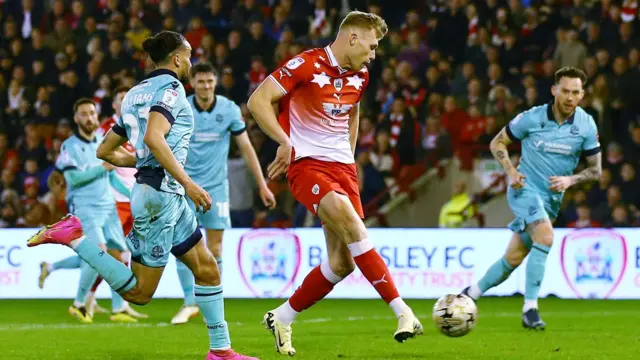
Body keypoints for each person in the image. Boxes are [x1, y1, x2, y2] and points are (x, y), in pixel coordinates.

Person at [27, 31, 257, 360]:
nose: (191, 61)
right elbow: (154, 136)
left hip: (166, 194)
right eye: (188, 55)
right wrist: (189, 182)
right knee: (139, 292)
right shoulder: (173, 89)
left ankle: (220, 351)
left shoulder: (134, 93)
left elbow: (107, 150)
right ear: (177, 58)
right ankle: (73, 237)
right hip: (160, 196)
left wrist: (144, 160)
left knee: (207, 268)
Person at [247, 11, 423, 356]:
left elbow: (353, 111)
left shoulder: (362, 75)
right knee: (355, 226)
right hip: (307, 165)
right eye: (371, 47)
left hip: (342, 168)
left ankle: (281, 316)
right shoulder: (306, 64)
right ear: (352, 38)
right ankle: (403, 312)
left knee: (342, 263)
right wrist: (284, 140)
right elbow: (258, 100)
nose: (373, 54)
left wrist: (350, 157)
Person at [460, 67, 602, 330]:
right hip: (523, 189)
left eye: (575, 92)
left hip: (551, 201)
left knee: (512, 259)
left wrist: (571, 180)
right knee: (546, 237)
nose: (570, 98)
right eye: (565, 91)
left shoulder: (586, 125)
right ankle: (530, 310)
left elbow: (596, 171)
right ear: (554, 90)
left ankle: (469, 294)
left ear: (582, 94)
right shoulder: (532, 118)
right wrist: (511, 171)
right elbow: (496, 143)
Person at [171, 61, 276, 325]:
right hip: (186, 187)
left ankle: (213, 303)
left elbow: (247, 148)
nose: (205, 86)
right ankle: (188, 303)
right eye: (200, 81)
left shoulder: (229, 110)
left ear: (215, 83)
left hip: (216, 189)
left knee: (215, 247)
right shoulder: (181, 108)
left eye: (210, 81)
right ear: (192, 83)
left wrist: (262, 184)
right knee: (182, 246)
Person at [43, 98, 134, 323]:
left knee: (117, 257)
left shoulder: (102, 143)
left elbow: (113, 177)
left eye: (92, 113)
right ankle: (79, 304)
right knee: (98, 253)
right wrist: (101, 167)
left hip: (108, 207)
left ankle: (118, 308)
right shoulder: (69, 147)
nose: (89, 118)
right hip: (85, 207)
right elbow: (72, 178)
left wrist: (136, 197)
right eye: (83, 114)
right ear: (76, 118)